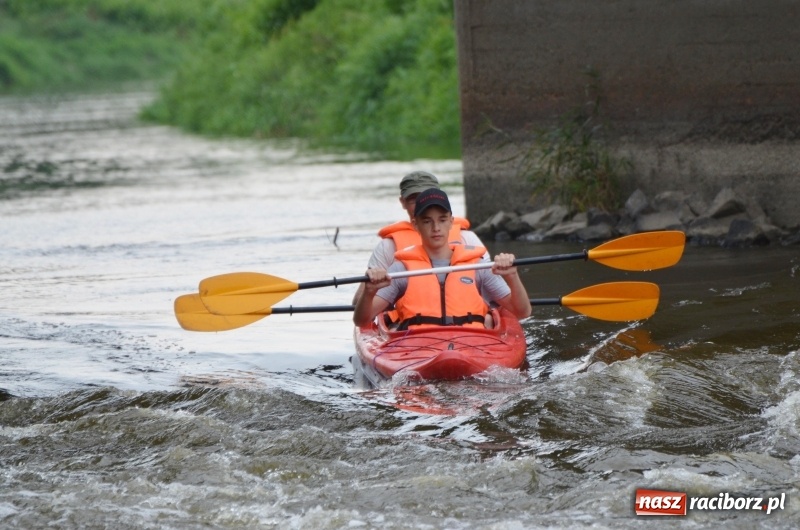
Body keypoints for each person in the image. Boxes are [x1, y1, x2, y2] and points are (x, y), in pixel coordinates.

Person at [353, 188, 531, 329]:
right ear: (416, 224)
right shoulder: (401, 269)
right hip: (420, 347)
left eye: (442, 219)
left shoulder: (478, 266)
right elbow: (362, 321)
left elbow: (522, 311)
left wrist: (512, 276)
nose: (436, 227)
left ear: (451, 222)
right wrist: (369, 292)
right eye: (427, 221)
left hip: (472, 344)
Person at [352, 170, 488, 303]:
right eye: (414, 199)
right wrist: (373, 288)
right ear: (403, 202)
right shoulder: (388, 246)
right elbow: (358, 302)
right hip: (409, 322)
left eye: (428, 196)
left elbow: (491, 285)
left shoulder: (468, 238)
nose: (423, 202)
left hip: (466, 318)